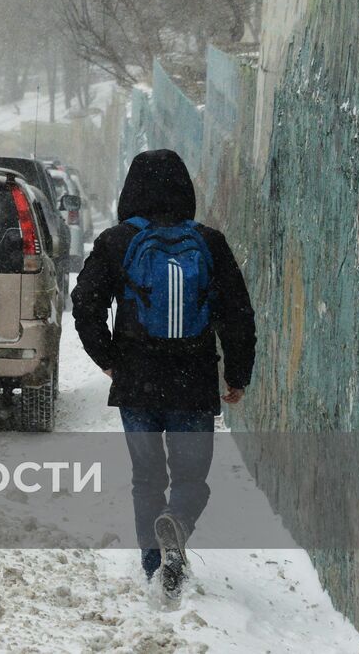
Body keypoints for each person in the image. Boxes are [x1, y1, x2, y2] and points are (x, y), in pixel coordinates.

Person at [71, 149, 256, 599]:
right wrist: (238, 374)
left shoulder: (116, 242)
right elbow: (237, 313)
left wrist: (107, 358)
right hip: (192, 381)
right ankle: (178, 527)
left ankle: (155, 566)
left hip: (137, 382)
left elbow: (86, 303)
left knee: (147, 478)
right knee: (191, 479)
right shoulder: (209, 241)